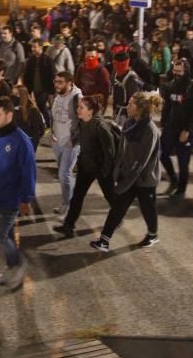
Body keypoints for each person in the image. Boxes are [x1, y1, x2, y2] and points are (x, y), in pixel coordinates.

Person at [89, 92, 163, 252]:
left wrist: (124, 182)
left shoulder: (150, 130)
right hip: (128, 175)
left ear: (140, 109)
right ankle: (104, 241)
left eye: (131, 104)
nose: (127, 106)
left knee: (148, 208)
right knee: (117, 208)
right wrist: (117, 171)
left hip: (144, 179)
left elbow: (141, 162)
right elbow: (121, 150)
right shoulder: (130, 123)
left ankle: (152, 234)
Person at [0, 96, 36, 290]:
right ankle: (12, 266)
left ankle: (18, 265)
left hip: (12, 199)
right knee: (8, 235)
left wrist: (26, 199)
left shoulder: (21, 141)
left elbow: (29, 170)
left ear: (9, 115)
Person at [54, 97, 116, 239]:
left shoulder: (100, 126)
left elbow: (110, 152)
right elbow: (82, 143)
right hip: (86, 166)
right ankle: (68, 226)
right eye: (78, 107)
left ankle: (118, 216)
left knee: (110, 196)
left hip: (101, 169)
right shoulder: (83, 123)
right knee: (77, 196)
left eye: (81, 108)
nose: (78, 110)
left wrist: (106, 171)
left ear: (91, 111)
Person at [159, 59, 193, 201]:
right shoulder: (171, 85)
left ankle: (181, 189)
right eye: (174, 71)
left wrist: (188, 130)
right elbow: (167, 106)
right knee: (162, 154)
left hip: (185, 130)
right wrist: (163, 122)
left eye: (179, 72)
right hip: (170, 127)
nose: (176, 74)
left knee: (183, 162)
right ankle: (173, 179)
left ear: (186, 71)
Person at [49, 70, 82, 220]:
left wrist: (74, 140)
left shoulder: (77, 98)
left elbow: (83, 121)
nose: (57, 85)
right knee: (65, 175)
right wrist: (52, 134)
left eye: (60, 82)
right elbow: (54, 116)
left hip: (70, 142)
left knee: (64, 174)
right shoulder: (58, 95)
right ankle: (67, 202)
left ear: (70, 83)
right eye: (56, 81)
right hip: (58, 141)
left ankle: (68, 207)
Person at [23, 39, 54, 124]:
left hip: (44, 90)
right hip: (33, 90)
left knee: (42, 107)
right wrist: (28, 90)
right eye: (32, 47)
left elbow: (52, 76)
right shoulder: (30, 60)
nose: (32, 49)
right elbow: (27, 76)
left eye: (35, 47)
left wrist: (50, 91)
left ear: (41, 47)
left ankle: (48, 124)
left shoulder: (48, 60)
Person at [111, 51, 142, 124]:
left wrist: (132, 117)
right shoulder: (115, 74)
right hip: (117, 112)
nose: (115, 66)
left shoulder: (132, 78)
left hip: (127, 115)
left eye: (116, 63)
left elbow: (135, 100)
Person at [14, 84, 46, 150]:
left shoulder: (33, 111)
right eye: (13, 94)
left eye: (17, 94)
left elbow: (39, 130)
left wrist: (33, 145)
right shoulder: (13, 110)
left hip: (28, 144)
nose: (14, 97)